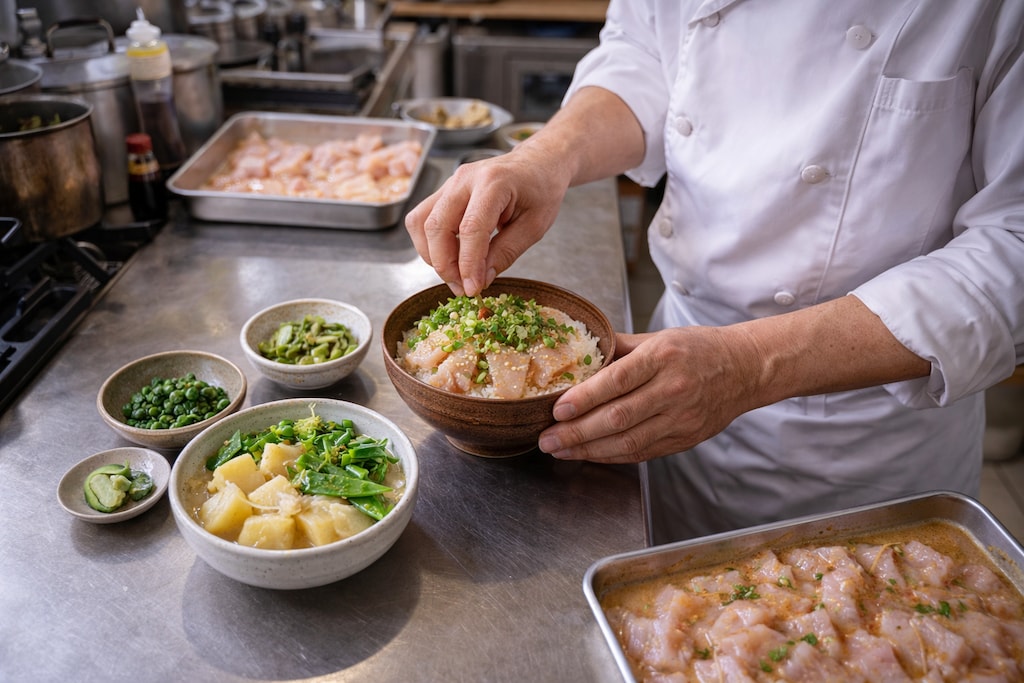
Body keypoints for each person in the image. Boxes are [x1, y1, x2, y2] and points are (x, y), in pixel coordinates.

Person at [404, 1, 1024, 543]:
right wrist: (546, 155)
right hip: (667, 376)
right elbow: (643, 51)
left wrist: (749, 365)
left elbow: (1013, 245)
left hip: (856, 442)